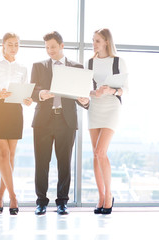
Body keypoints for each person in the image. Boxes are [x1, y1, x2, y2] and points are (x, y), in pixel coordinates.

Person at [31, 31, 89, 215]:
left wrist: (85, 101)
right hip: (43, 121)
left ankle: (62, 202)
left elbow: (82, 96)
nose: (50, 51)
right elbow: (32, 91)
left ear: (62, 46)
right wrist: (41, 94)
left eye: (53, 47)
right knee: (42, 163)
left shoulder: (76, 67)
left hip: (66, 120)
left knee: (64, 163)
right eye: (47, 47)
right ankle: (41, 202)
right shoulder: (38, 66)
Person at [0, 32, 33, 215]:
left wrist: (26, 100)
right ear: (3, 46)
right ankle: (13, 197)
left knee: (11, 155)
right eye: (10, 44)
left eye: (16, 45)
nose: (13, 48)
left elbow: (23, 91)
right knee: (3, 154)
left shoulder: (23, 68)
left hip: (15, 111)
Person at [87, 28, 128, 214]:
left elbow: (125, 89)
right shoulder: (90, 62)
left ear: (106, 42)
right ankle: (101, 196)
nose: (94, 44)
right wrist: (94, 92)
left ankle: (109, 194)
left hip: (111, 107)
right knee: (96, 154)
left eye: (97, 41)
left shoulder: (118, 62)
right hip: (95, 108)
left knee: (100, 151)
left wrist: (110, 90)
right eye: (93, 40)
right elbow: (84, 88)